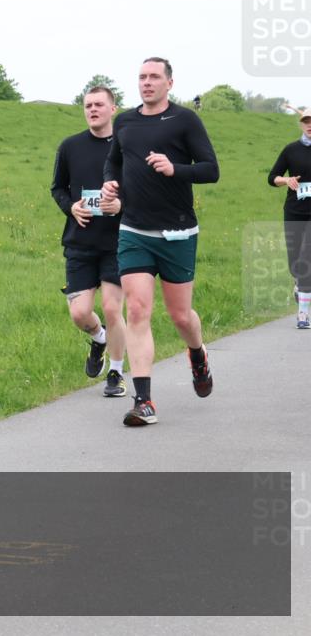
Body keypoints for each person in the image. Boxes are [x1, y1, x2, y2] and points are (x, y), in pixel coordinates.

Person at [102, 57, 219, 426]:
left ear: (169, 83)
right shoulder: (125, 121)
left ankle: (197, 353)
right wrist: (110, 183)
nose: (147, 83)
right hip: (134, 230)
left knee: (181, 316)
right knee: (136, 310)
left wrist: (175, 169)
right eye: (142, 77)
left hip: (177, 232)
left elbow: (211, 169)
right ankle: (145, 401)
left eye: (154, 77)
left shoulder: (185, 120)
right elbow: (114, 163)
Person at [50, 86, 128, 396]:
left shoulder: (126, 149)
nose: (92, 109)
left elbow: (141, 190)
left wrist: (120, 206)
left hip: (117, 242)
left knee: (112, 308)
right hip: (80, 242)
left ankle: (116, 373)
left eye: (99, 104)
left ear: (113, 109)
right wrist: (71, 206)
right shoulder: (70, 147)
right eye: (87, 105)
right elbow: (57, 188)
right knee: (80, 313)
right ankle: (98, 339)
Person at [268, 106, 311, 329]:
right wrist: (287, 181)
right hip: (294, 210)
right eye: (306, 121)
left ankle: (303, 313)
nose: (310, 125)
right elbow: (272, 177)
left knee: (307, 258)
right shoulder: (291, 150)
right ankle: (298, 284)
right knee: (295, 261)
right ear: (301, 124)